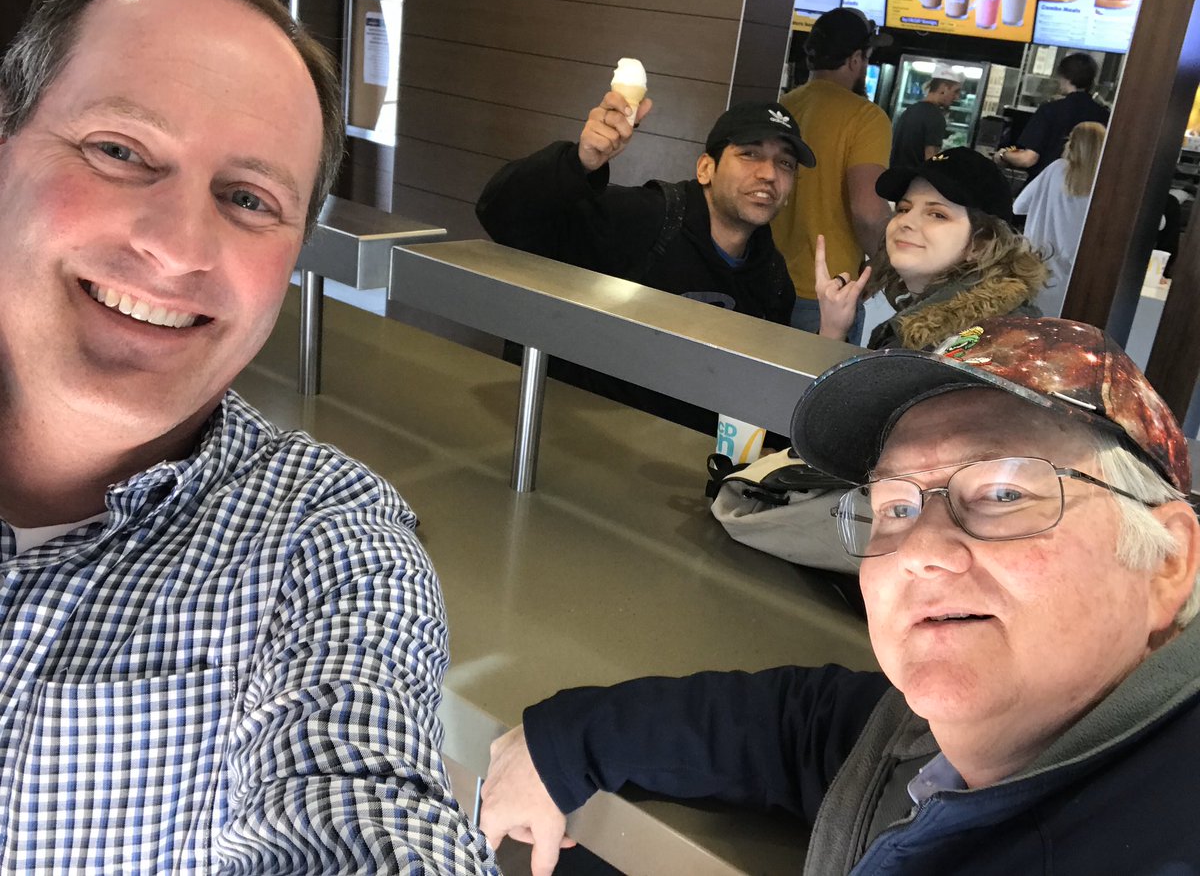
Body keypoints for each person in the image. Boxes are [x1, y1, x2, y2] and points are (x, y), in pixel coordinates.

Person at [0, 0, 494, 872]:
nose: (177, 246)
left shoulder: (323, 549)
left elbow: (362, 806)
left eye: (249, 199)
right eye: (120, 150)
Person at [479, 315, 1200, 875]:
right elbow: (804, 728)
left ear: (1167, 561)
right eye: (896, 506)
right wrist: (568, 737)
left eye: (1003, 493)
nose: (918, 550)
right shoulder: (949, 736)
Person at [476, 97, 812, 432]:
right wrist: (579, 161)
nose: (769, 174)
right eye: (749, 154)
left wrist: (830, 333)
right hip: (581, 440)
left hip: (691, 459)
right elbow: (501, 213)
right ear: (705, 169)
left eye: (785, 163)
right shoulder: (648, 220)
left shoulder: (772, 279)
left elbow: (759, 391)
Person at [816, 147, 1046, 350]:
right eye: (904, 209)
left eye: (937, 214)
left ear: (981, 243)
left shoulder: (983, 343)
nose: (906, 222)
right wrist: (834, 328)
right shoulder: (933, 324)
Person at [772, 7, 894, 339]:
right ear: (855, 60)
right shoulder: (866, 117)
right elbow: (867, 212)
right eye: (866, 58)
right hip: (827, 294)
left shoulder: (783, 107)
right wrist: (883, 266)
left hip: (767, 280)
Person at [1013, 121, 1106, 316]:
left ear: (1071, 143)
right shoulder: (1106, 184)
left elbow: (1018, 207)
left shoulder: (1056, 169)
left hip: (1038, 270)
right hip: (1075, 283)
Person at [994, 52, 1110, 185]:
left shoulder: (1050, 110)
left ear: (1064, 77)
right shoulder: (1104, 115)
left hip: (1045, 186)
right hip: (1083, 188)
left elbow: (1028, 159)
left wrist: (1003, 155)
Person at [889, 67, 962, 169]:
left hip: (894, 173)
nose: (957, 97)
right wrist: (949, 158)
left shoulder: (910, 110)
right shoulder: (935, 116)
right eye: (955, 91)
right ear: (943, 88)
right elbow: (932, 159)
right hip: (914, 177)